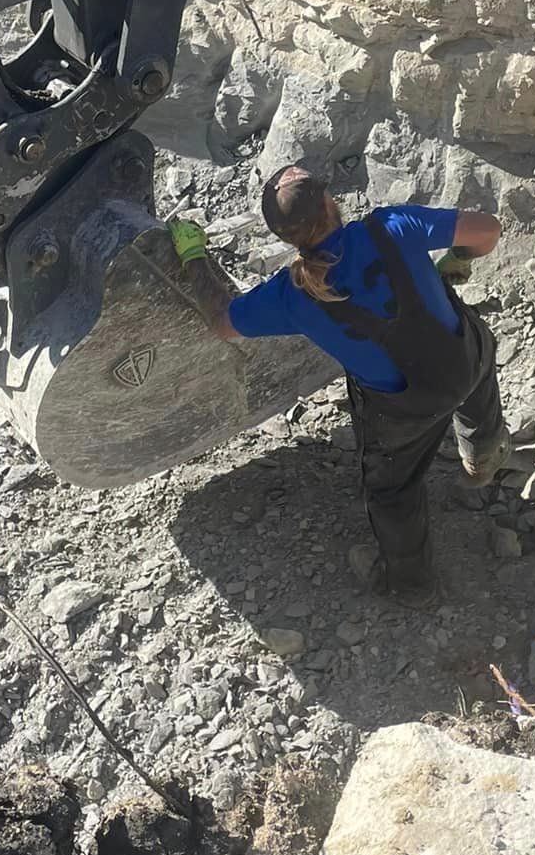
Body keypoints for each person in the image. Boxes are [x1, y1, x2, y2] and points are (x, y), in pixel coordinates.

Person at [170, 166, 509, 602]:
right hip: (466, 359)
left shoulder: (290, 296)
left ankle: (413, 587)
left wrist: (193, 256)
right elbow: (487, 229)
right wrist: (458, 257)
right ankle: (482, 456)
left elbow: (222, 321)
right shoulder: (391, 226)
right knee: (472, 358)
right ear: (330, 204)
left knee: (391, 491)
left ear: (285, 237)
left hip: (404, 410)